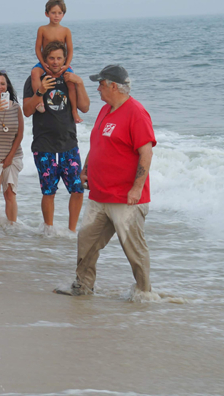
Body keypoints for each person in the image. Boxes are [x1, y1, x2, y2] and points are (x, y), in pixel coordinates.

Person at [63, 65, 156, 298]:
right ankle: (82, 286)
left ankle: (144, 293)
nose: (98, 88)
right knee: (86, 241)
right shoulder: (106, 109)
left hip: (126, 197)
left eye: (101, 84)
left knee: (133, 249)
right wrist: (86, 170)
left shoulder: (136, 112)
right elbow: (97, 145)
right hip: (99, 194)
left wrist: (136, 189)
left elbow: (146, 154)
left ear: (114, 86)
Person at [22, 41, 90, 234]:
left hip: (69, 143)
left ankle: (72, 231)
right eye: (51, 58)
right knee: (48, 191)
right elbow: (27, 111)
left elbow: (85, 107)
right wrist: (40, 91)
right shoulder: (34, 79)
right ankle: (49, 231)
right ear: (44, 59)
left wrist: (80, 82)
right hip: (44, 145)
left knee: (77, 189)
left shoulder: (69, 78)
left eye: (59, 58)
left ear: (65, 59)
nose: (55, 62)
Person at [0, 70, 24, 224]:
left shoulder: (15, 107)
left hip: (13, 155)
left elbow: (20, 134)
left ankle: (12, 226)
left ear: (7, 86)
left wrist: (10, 156)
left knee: (10, 193)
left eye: (2, 83)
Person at [31, 0, 80, 123]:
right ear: (47, 14)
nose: (56, 16)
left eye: (59, 13)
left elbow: (70, 50)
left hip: (61, 64)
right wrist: (43, 64)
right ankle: (40, 101)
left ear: (63, 14)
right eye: (53, 13)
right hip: (45, 62)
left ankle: (74, 110)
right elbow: (37, 48)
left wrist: (66, 65)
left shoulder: (66, 31)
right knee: (35, 73)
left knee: (70, 81)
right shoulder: (42, 29)